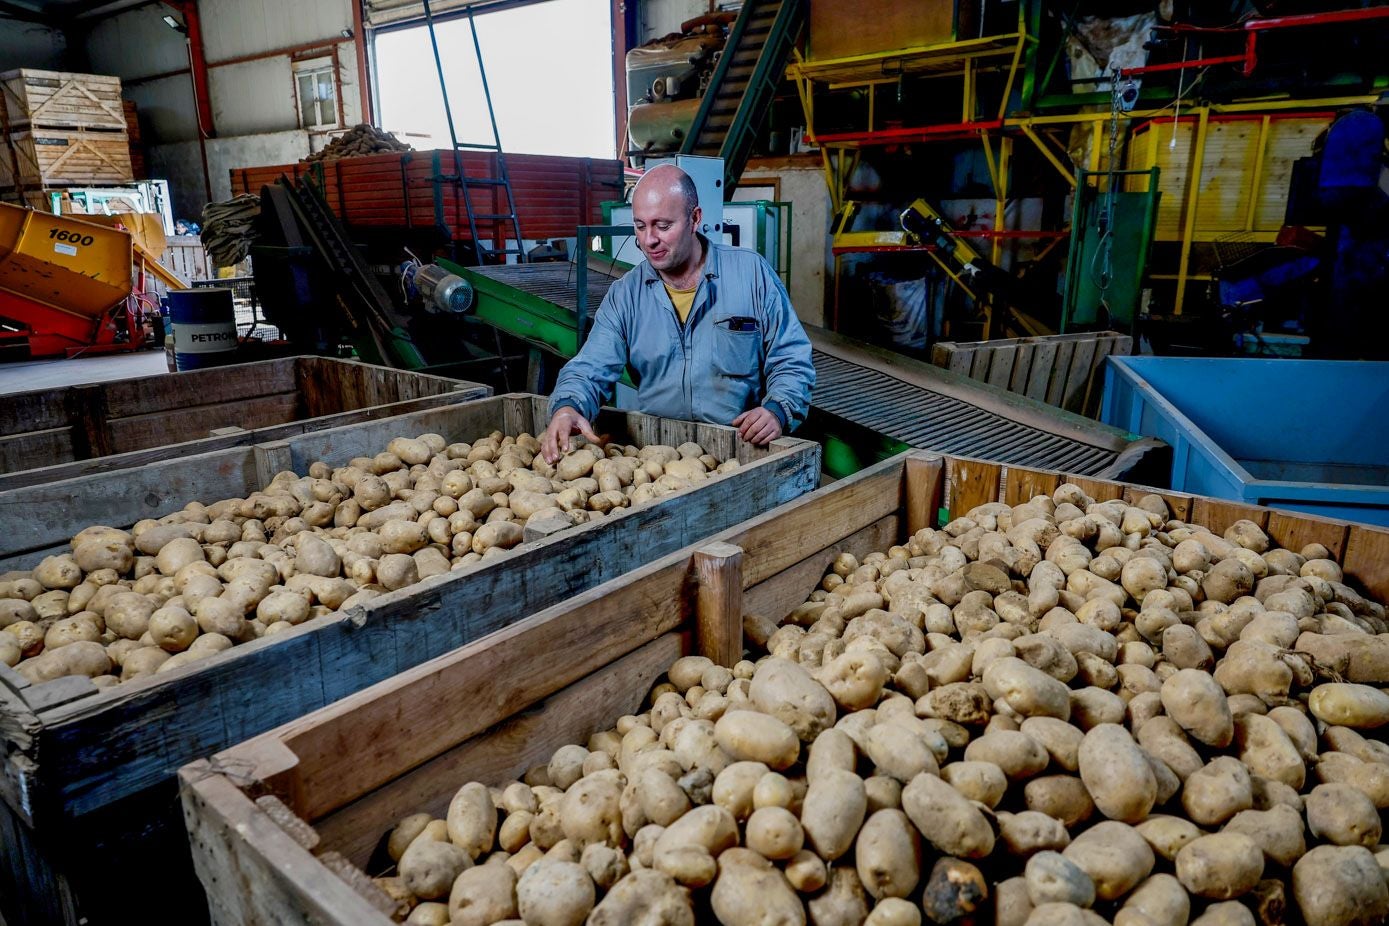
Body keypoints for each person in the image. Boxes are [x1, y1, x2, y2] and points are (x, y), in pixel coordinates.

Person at [541, 164, 815, 463]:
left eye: (662, 225)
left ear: (695, 218)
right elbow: (589, 368)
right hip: (661, 459)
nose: (649, 240)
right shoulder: (627, 295)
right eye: (640, 225)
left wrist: (777, 410)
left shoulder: (750, 275)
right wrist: (567, 406)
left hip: (740, 453)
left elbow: (791, 358)